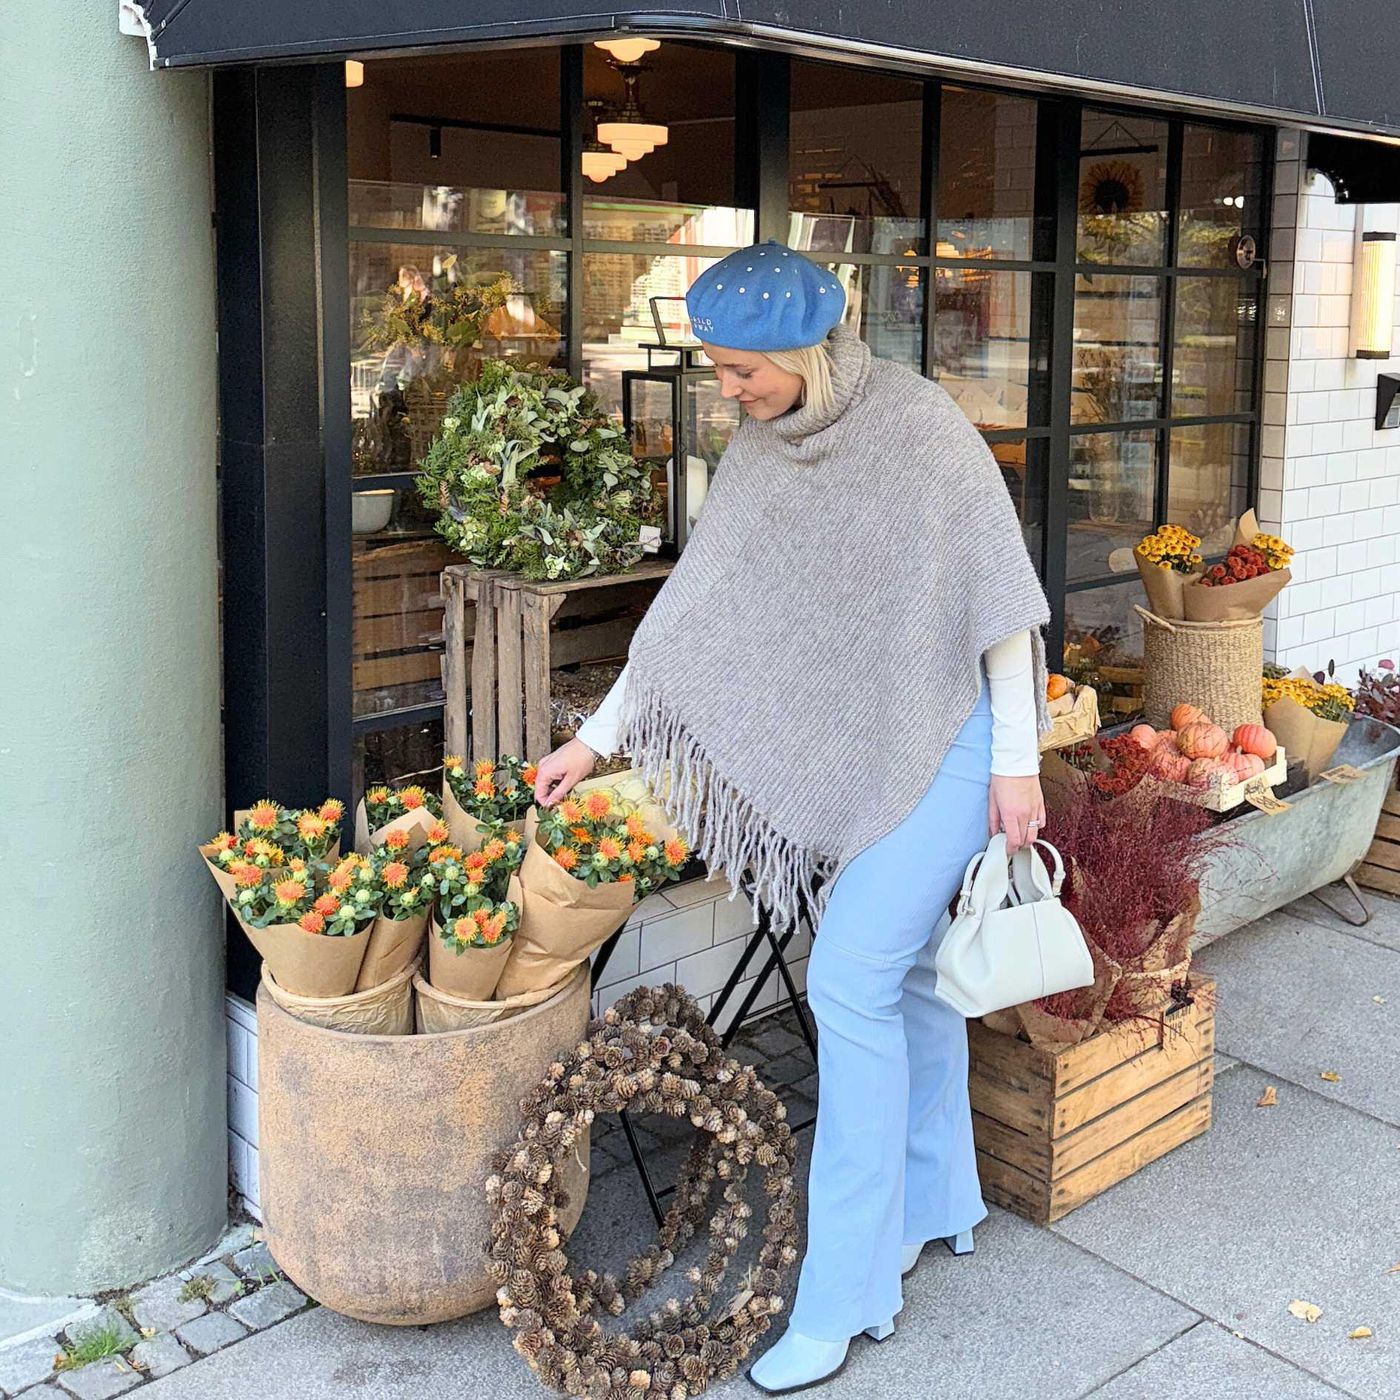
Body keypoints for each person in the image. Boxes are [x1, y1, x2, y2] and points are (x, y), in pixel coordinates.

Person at [531, 240, 1051, 1395]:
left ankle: (846, 1293)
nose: (728, 390)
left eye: (742, 370)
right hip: (864, 742)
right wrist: (594, 740)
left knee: (852, 983)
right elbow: (691, 617)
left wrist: (1016, 766)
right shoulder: (763, 448)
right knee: (908, 985)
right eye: (716, 369)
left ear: (811, 348)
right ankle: (938, 1198)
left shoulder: (920, 430)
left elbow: (1001, 611)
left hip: (950, 740)